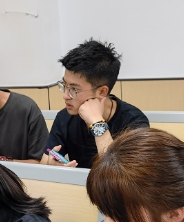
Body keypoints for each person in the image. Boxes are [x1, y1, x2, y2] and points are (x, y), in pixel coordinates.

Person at [41, 39, 149, 168]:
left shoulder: (134, 122)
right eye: (64, 85)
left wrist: (97, 123)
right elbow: (45, 160)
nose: (65, 96)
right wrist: (52, 165)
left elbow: (118, 173)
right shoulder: (64, 117)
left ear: (102, 92)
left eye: (74, 89)